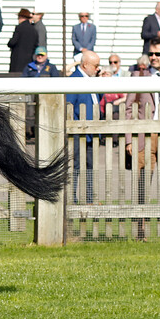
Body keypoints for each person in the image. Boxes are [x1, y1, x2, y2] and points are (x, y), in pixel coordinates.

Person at [125, 38, 160, 239]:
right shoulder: (139, 75)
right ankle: (140, 234)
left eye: (158, 54)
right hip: (145, 135)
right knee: (142, 185)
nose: (153, 57)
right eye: (151, 53)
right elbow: (128, 110)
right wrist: (129, 140)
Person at [65, 50, 100, 204]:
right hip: (78, 133)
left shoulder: (90, 79)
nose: (98, 68)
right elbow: (68, 106)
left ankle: (90, 198)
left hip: (91, 132)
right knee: (75, 167)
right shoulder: (75, 80)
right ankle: (72, 198)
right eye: (96, 65)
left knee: (90, 167)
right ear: (85, 65)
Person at [7, 8, 37, 74]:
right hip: (29, 60)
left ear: (21, 17)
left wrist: (9, 43)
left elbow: (13, 42)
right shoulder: (34, 30)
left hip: (17, 60)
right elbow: (36, 44)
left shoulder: (19, 28)